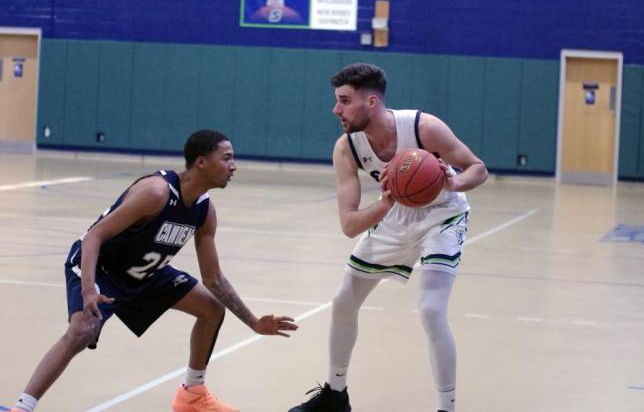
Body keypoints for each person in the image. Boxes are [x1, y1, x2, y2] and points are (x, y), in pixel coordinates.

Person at [10, 129, 298, 412]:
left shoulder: (204, 211)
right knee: (83, 330)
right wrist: (87, 290)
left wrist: (254, 323)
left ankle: (192, 394)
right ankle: (24, 407)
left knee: (212, 309)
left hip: (144, 274)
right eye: (226, 158)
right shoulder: (156, 192)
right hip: (101, 268)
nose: (233, 166)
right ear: (201, 162)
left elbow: (214, 278)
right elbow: (93, 237)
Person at [288, 63, 488, 412]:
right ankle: (335, 396)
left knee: (430, 309)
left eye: (344, 101)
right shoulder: (347, 148)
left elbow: (478, 168)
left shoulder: (424, 127)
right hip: (394, 215)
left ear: (372, 102)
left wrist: (452, 181)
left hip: (443, 213)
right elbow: (349, 225)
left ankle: (447, 408)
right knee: (343, 302)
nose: (336, 109)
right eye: (337, 101)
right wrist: (386, 203)